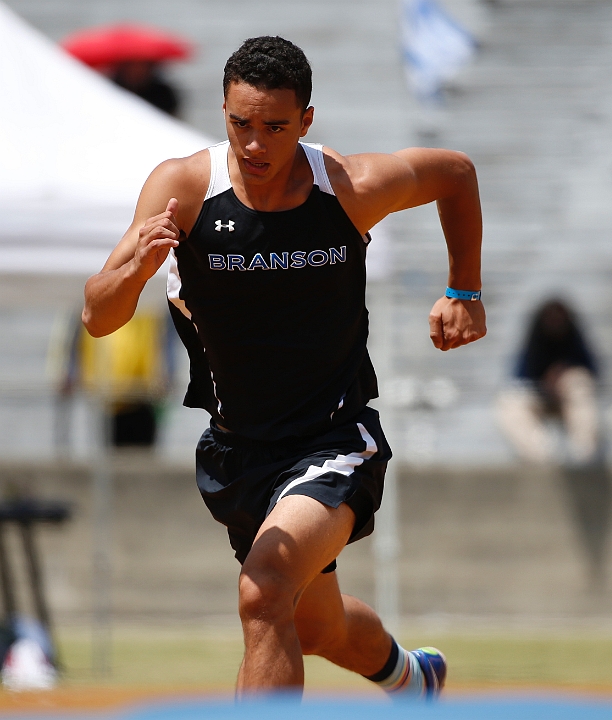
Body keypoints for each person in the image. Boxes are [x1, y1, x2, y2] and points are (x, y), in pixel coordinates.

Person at [82, 36, 485, 698]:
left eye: (274, 127)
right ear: (222, 110)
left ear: (305, 120)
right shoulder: (182, 188)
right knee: (315, 627)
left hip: (334, 441)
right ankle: (411, 679)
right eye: (240, 123)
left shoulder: (348, 187)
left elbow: (455, 173)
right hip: (239, 452)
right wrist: (136, 267)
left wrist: (463, 290)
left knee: (262, 592)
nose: (254, 144)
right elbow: (98, 316)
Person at [496, 298, 600, 465]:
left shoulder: (575, 342)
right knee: (509, 403)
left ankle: (583, 457)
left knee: (579, 384)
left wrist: (564, 373)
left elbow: (593, 372)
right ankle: (544, 457)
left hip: (572, 397)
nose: (555, 324)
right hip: (539, 396)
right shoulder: (533, 342)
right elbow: (518, 379)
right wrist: (545, 383)